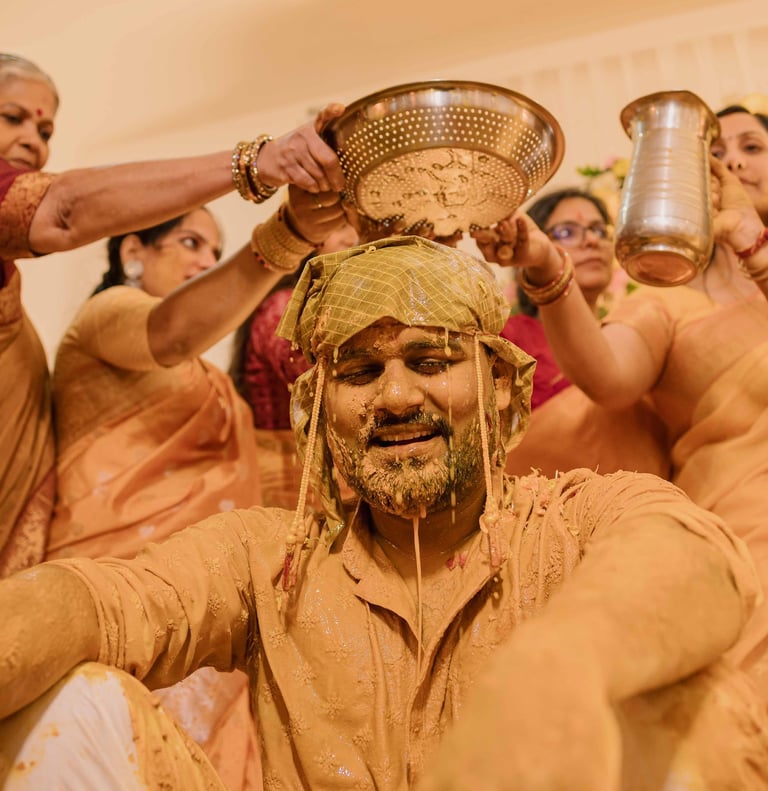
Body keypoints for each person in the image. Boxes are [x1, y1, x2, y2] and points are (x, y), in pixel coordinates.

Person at [1, 236, 766, 790]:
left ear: (499, 385)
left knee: (698, 711)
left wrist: (559, 670)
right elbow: (107, 602)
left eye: (430, 362)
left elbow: (694, 555)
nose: (396, 398)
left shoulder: (577, 516)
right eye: (361, 371)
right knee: (72, 703)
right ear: (316, 411)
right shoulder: (271, 556)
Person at [0, 51, 344, 577]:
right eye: (13, 117)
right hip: (113, 596)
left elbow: (269, 469)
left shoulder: (206, 383)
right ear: (133, 253)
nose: (34, 139)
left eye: (45, 128)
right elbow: (169, 331)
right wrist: (265, 177)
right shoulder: (104, 316)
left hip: (190, 600)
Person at [477, 105, 768, 702]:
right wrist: (545, 266)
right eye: (714, 151)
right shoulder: (664, 306)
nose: (732, 160)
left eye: (751, 146)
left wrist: (750, 240)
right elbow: (606, 379)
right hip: (746, 535)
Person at [481, 188, 670, 478]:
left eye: (598, 229)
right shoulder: (507, 339)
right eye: (567, 232)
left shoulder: (634, 336)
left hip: (646, 502)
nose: (591, 240)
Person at [229, 186, 358, 508]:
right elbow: (319, 375)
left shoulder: (324, 306)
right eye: (341, 226)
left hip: (326, 479)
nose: (353, 239)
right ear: (307, 234)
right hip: (291, 490)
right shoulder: (281, 307)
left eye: (358, 227)